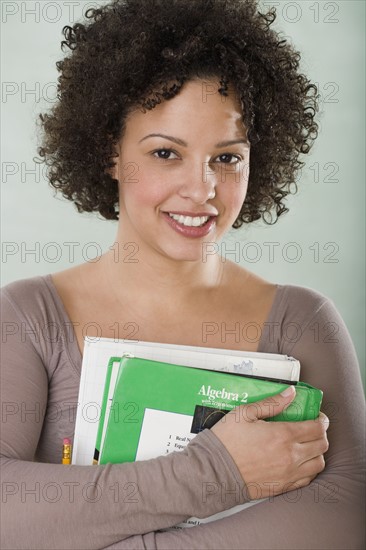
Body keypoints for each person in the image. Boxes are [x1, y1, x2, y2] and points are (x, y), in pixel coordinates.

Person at [1, 0, 364, 549]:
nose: (202, 191)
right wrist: (216, 473)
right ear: (110, 153)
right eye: (166, 152)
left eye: (227, 158)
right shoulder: (27, 316)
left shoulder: (301, 320)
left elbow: (347, 514)